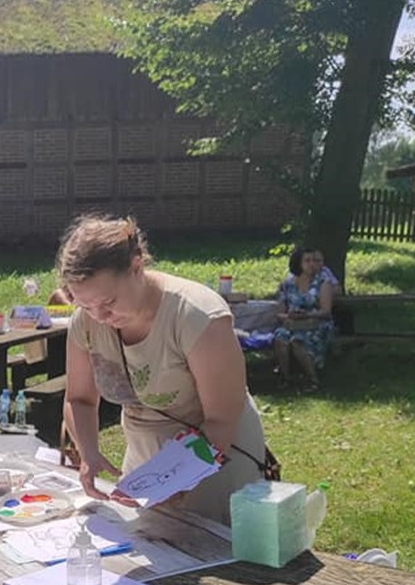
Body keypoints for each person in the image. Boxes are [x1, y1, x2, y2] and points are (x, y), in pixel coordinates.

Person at [58, 215, 267, 525]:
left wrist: (178, 478)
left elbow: (222, 419)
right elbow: (79, 399)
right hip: (146, 463)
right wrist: (88, 452)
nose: (99, 316)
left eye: (109, 302)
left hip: (216, 456)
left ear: (136, 267)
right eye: (86, 305)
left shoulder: (197, 316)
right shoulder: (86, 322)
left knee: (211, 558)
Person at [272, 246, 335, 392]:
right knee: (280, 338)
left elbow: (326, 311)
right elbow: (279, 313)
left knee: (297, 341)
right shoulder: (287, 284)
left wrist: (307, 315)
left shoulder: (323, 282)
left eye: (314, 260)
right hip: (293, 323)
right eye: (307, 260)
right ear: (297, 263)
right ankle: (286, 378)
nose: (312, 264)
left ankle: (312, 380)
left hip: (317, 323)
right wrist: (290, 316)